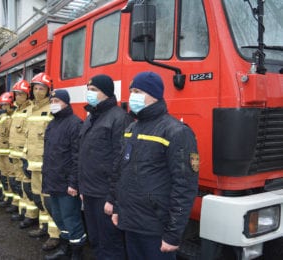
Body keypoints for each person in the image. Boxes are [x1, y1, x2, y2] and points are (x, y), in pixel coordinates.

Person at [112, 71, 199, 260]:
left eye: (138, 91)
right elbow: (122, 174)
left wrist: (173, 234)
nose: (132, 96)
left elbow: (185, 187)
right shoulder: (131, 129)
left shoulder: (176, 132)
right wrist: (118, 209)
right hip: (131, 223)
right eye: (131, 91)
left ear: (155, 95)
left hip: (156, 229)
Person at [78, 74, 133, 260]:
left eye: (94, 90)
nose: (89, 94)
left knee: (111, 243)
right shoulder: (91, 117)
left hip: (105, 195)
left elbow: (122, 163)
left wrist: (113, 198)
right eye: (89, 90)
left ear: (107, 93)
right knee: (95, 240)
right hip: (90, 192)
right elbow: (85, 155)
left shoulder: (119, 118)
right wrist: (82, 188)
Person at [42, 90, 86, 260]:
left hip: (67, 185)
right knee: (60, 219)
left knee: (71, 219)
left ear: (66, 102)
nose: (53, 103)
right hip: (53, 182)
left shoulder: (75, 124)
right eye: (52, 100)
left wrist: (74, 184)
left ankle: (77, 254)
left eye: (57, 100)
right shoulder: (52, 124)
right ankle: (65, 248)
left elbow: (78, 158)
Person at [25, 73, 61, 251]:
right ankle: (43, 227)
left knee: (49, 200)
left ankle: (55, 235)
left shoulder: (52, 110)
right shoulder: (32, 110)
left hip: (46, 164)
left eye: (42, 88)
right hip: (32, 162)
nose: (38, 91)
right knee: (37, 197)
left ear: (48, 91)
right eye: (36, 88)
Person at [7, 80, 33, 218]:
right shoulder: (16, 111)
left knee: (26, 186)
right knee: (19, 184)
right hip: (15, 154)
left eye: (21, 94)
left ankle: (29, 214)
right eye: (16, 94)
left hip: (24, 155)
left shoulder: (30, 110)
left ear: (27, 95)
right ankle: (22, 211)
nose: (17, 97)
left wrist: (26, 155)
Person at [0, 92, 15, 208]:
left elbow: (8, 130)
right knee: (4, 176)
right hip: (2, 151)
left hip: (9, 153)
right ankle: (8, 197)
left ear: (11, 104)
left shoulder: (9, 118)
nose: (3, 108)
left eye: (5, 105)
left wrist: (3, 117)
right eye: (1, 105)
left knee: (12, 177)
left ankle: (14, 200)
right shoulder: (4, 117)